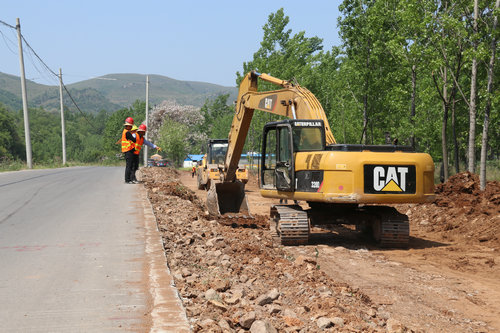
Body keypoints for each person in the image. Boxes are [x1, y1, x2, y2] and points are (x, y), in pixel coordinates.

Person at [121, 117, 136, 184]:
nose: (131, 127)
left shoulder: (125, 131)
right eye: (131, 126)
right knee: (129, 166)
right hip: (128, 151)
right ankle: (127, 180)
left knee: (129, 165)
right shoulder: (127, 133)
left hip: (127, 151)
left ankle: (128, 179)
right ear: (129, 126)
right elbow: (134, 139)